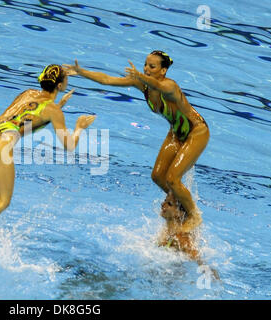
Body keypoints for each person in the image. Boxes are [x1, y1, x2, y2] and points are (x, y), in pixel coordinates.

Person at [64, 51, 210, 255]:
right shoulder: (144, 85)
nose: (147, 70)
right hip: (176, 133)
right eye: (145, 65)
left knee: (173, 179)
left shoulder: (170, 86)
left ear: (164, 70)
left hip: (196, 132)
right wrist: (81, 72)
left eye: (152, 67)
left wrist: (140, 77)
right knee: (158, 177)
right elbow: (107, 80)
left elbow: (159, 86)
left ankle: (194, 215)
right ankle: (180, 210)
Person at [0, 64, 96, 255]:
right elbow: (69, 145)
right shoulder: (54, 111)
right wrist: (79, 127)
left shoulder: (28, 93)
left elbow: (25, 118)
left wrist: (58, 107)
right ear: (61, 85)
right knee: (1, 201)